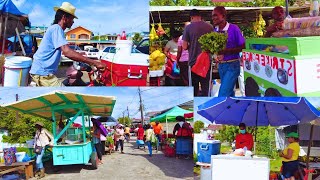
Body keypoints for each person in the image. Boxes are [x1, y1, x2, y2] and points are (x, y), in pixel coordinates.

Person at [29, 2, 106, 86]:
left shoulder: (56, 30)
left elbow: (68, 51)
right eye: (72, 19)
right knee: (65, 97)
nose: (73, 22)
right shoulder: (56, 28)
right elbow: (67, 52)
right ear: (64, 17)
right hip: (43, 73)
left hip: (42, 72)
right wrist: (93, 62)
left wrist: (84, 59)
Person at [212, 6, 245, 97]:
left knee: (223, 93)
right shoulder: (215, 30)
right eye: (212, 16)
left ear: (223, 16)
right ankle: (232, 110)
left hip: (232, 64)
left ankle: (218, 110)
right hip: (221, 66)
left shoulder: (234, 28)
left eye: (215, 15)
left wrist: (227, 51)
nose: (213, 18)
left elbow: (243, 46)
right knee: (229, 93)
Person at [182, 9, 213, 96]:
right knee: (206, 88)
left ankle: (195, 106)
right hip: (206, 62)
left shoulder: (188, 28)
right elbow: (213, 46)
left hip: (193, 62)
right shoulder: (209, 27)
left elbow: (184, 46)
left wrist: (190, 46)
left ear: (191, 17)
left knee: (194, 89)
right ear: (200, 16)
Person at [177, 22, 191, 86]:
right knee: (192, 78)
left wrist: (177, 60)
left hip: (184, 61)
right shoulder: (195, 36)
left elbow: (179, 51)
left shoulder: (181, 38)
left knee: (185, 79)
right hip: (193, 60)